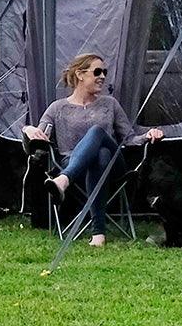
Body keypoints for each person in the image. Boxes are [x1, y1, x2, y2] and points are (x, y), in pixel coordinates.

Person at [23, 53, 163, 247]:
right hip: (75, 164)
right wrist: (27, 129)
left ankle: (63, 180)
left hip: (114, 168)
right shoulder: (57, 108)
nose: (102, 76)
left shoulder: (110, 104)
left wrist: (148, 135)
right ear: (80, 74)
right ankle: (99, 233)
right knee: (100, 155)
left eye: (104, 72)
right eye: (97, 72)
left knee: (98, 134)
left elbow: (130, 138)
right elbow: (39, 137)